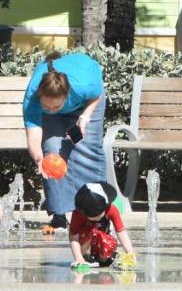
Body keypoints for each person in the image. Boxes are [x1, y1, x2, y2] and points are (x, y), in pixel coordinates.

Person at [23, 52, 106, 228]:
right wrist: (38, 157)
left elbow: (96, 95)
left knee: (86, 148)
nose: (52, 110)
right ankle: (59, 214)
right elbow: (34, 135)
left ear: (67, 95)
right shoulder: (32, 97)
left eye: (56, 106)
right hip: (63, 98)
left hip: (87, 103)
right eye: (47, 106)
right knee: (51, 151)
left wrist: (84, 118)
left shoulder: (84, 85)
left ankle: (97, 212)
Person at [69, 182, 136, 270]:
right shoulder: (78, 214)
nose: (96, 218)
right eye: (91, 216)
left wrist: (129, 252)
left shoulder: (111, 209)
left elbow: (121, 231)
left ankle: (104, 257)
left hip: (103, 237)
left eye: (97, 214)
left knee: (106, 239)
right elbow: (73, 237)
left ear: (105, 207)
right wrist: (78, 258)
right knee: (91, 231)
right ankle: (85, 256)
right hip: (85, 240)